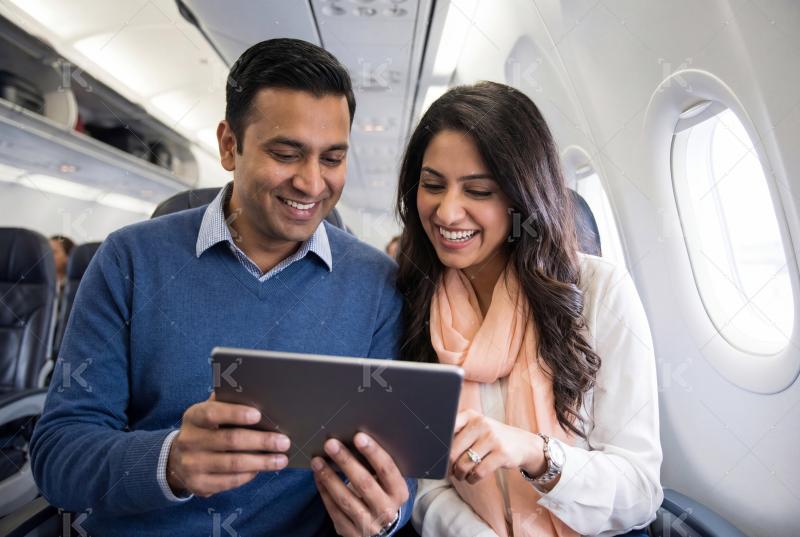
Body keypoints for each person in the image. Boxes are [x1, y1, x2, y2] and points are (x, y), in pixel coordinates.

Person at [31, 38, 415, 537]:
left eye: (332, 158)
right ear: (229, 145)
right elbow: (57, 455)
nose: (312, 182)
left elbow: (396, 462)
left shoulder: (377, 284)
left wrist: (387, 516)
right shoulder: (129, 260)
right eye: (286, 153)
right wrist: (169, 462)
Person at [396, 82, 662, 536]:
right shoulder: (411, 297)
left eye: (478, 191)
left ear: (522, 198)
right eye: (433, 185)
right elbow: (425, 481)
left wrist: (537, 454)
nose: (447, 211)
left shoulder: (599, 291)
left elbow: (640, 491)